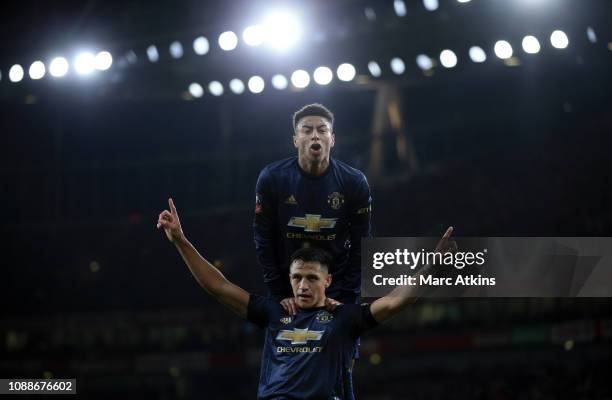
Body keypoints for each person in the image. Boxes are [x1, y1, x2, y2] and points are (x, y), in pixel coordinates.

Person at [157, 198, 455, 399]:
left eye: (311, 278)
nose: (303, 285)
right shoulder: (274, 311)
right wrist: (182, 242)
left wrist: (431, 270)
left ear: (327, 281)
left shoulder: (344, 317)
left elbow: (394, 302)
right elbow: (219, 287)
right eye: (297, 277)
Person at [253, 103, 372, 315]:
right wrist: (280, 293)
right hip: (289, 291)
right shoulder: (272, 178)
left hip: (338, 288)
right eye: (307, 130)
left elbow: (362, 244)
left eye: (322, 130)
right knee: (291, 347)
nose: (315, 136)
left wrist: (345, 296)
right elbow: (263, 239)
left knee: (338, 347)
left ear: (332, 139)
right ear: (296, 140)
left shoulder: (354, 182)